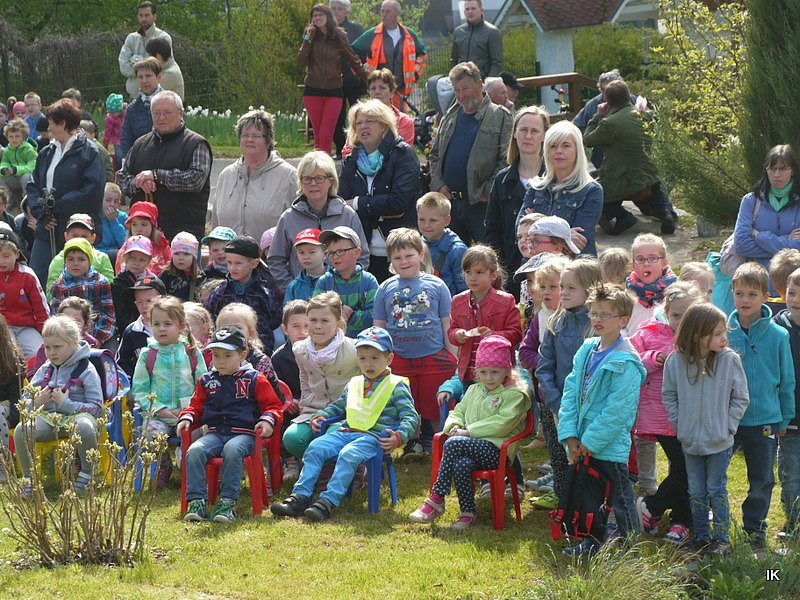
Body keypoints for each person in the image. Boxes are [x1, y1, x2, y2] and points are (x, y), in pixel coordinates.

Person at [271, 325, 419, 521]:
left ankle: (327, 501)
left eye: (375, 358)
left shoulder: (396, 385)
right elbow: (339, 407)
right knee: (315, 447)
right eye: (363, 358)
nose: (368, 363)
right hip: (345, 432)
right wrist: (321, 415)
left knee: (348, 455)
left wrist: (399, 436)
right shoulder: (355, 383)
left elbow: (411, 417)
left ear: (389, 358)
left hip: (374, 438)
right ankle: (300, 496)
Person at [557, 283, 646, 555]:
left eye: (605, 314)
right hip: (582, 442)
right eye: (594, 313)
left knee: (620, 499)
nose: (597, 319)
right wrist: (570, 435)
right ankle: (592, 543)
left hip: (609, 446)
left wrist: (591, 442)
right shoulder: (586, 350)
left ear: (622, 320)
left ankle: (631, 549)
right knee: (590, 498)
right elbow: (571, 392)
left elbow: (618, 411)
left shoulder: (626, 361)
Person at [410, 335, 529, 529]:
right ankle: (467, 513)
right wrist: (453, 427)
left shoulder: (514, 395)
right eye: (483, 372)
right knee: (461, 464)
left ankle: (436, 498)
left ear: (507, 371)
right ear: (476, 371)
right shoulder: (474, 390)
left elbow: (503, 424)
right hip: (470, 448)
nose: (488, 378)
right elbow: (458, 411)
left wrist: (468, 432)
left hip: (497, 452)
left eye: (494, 372)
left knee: (453, 443)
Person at [662, 303, 750, 556]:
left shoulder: (729, 360)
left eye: (725, 332)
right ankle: (701, 535)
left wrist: (728, 425)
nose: (724, 338)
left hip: (720, 441)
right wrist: (681, 425)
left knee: (716, 489)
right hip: (690, 441)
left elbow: (740, 397)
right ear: (698, 335)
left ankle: (721, 538)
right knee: (696, 490)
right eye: (717, 334)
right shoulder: (675, 361)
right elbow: (669, 395)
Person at [179, 326, 284, 523]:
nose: (220, 361)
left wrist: (267, 420)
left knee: (232, 449)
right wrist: (188, 417)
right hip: (216, 433)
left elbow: (273, 406)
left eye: (227, 356)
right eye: (216, 355)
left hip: (245, 435)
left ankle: (228, 502)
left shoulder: (254, 378)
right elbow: (196, 406)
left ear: (242, 355)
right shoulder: (207, 380)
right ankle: (197, 501)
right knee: (195, 450)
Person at [373, 228, 458, 458]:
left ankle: (438, 440)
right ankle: (413, 440)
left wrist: (454, 357)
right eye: (397, 257)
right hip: (400, 357)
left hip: (433, 355)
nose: (404, 261)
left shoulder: (437, 285)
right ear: (390, 260)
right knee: (406, 401)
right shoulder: (385, 288)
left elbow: (445, 323)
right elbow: (379, 326)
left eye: (409, 255)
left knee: (434, 400)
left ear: (421, 255)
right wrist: (380, 358)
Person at [728, 262, 796, 549]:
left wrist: (785, 417)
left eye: (752, 294)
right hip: (727, 420)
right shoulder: (723, 330)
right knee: (715, 474)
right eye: (739, 293)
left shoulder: (779, 335)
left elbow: (787, 380)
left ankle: (754, 527)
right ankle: (714, 526)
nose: (745, 300)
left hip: (765, 419)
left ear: (766, 295)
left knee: (762, 479)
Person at [631, 282, 704, 546]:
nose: (680, 321)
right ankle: (660, 509)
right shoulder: (649, 332)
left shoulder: (700, 334)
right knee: (685, 468)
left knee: (687, 467)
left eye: (687, 315)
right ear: (665, 311)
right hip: (660, 415)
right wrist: (653, 358)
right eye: (675, 315)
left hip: (692, 414)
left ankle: (674, 517)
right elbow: (632, 360)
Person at [531, 259, 603, 512]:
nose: (563, 293)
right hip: (557, 407)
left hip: (589, 409)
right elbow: (544, 366)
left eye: (570, 288)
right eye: (562, 287)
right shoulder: (555, 323)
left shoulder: (597, 326)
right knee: (560, 460)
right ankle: (566, 510)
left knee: (589, 462)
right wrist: (555, 401)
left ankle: (592, 513)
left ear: (591, 289)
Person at [14, 315, 103, 495]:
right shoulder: (45, 368)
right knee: (21, 430)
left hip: (77, 418)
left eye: (57, 347)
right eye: (47, 347)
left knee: (84, 427)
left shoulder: (86, 369)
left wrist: (66, 403)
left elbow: (96, 407)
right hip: (48, 419)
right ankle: (30, 478)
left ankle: (88, 474)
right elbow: (24, 401)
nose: (52, 352)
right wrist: (37, 401)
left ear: (73, 343)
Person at [428, 61, 512, 246]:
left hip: (482, 206)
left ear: (480, 84)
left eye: (465, 88)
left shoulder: (501, 117)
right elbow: (434, 156)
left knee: (489, 258)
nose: (460, 95)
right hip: (450, 205)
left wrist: (485, 192)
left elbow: (507, 161)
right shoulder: (449, 116)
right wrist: (439, 185)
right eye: (456, 90)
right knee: (452, 263)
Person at [338, 99, 420, 281]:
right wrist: (375, 205)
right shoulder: (351, 160)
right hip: (364, 253)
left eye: (370, 121)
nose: (363, 127)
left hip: (400, 252)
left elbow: (398, 202)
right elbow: (342, 202)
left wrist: (358, 203)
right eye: (358, 123)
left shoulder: (402, 154)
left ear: (384, 126)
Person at [26, 99, 105, 285]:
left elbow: (92, 190)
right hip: (47, 228)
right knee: (38, 277)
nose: (49, 127)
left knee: (78, 284)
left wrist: (59, 206)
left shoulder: (89, 152)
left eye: (52, 122)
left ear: (63, 123)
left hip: (77, 230)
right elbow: (33, 184)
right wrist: (40, 212)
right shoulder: (46, 152)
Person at [583, 80, 677, 235]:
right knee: (652, 182)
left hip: (623, 178)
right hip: (650, 175)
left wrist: (598, 116)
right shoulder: (647, 115)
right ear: (628, 95)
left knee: (590, 191)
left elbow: (587, 139)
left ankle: (623, 216)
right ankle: (665, 214)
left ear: (608, 100)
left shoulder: (610, 123)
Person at [132, 296, 207, 488]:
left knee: (196, 434)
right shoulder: (148, 354)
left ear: (181, 326)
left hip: (188, 413)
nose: (161, 328)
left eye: (167, 323)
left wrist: (189, 409)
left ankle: (189, 467)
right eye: (156, 324)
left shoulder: (191, 352)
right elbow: (140, 389)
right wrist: (160, 409)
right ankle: (163, 465)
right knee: (149, 434)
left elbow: (203, 384)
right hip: (159, 414)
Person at [117, 90, 212, 241]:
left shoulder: (196, 143)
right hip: (142, 237)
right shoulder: (140, 144)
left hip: (182, 236)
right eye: (156, 113)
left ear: (180, 113)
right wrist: (138, 182)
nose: (162, 118)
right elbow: (121, 178)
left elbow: (195, 180)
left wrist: (156, 176)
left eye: (167, 112)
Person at [268, 151, 369, 289]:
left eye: (319, 178)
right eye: (307, 179)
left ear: (331, 181)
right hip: (301, 301)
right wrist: (292, 289)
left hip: (340, 297)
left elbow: (361, 257)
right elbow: (275, 260)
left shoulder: (347, 215)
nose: (313, 183)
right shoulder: (288, 218)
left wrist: (348, 287)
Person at [283, 292, 360, 461]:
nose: (317, 326)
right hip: (314, 410)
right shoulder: (300, 349)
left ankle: (350, 467)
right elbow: (304, 380)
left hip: (346, 413)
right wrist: (306, 405)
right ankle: (322, 466)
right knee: (292, 439)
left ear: (338, 324)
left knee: (332, 438)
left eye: (325, 321)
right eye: (313, 320)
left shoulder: (355, 350)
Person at [486, 106, 550, 299]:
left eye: (534, 131)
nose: (528, 136)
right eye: (523, 129)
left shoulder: (555, 178)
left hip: (548, 271)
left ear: (544, 135)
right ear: (514, 133)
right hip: (511, 269)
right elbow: (492, 230)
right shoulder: (502, 180)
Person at [516, 120, 603, 255]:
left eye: (566, 146)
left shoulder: (592, 190)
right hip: (535, 267)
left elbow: (577, 241)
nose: (558, 151)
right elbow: (520, 230)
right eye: (553, 146)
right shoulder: (535, 187)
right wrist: (565, 235)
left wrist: (536, 223)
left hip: (575, 269)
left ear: (578, 150)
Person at [211, 110, 297, 241]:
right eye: (245, 135)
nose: (249, 140)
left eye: (256, 136)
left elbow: (296, 225)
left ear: (268, 141)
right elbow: (216, 227)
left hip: (271, 259)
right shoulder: (226, 175)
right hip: (229, 259)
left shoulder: (288, 175)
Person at [448, 245, 522, 388]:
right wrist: (458, 334)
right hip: (469, 371)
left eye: (479, 272)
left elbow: (517, 334)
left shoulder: (506, 301)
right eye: (468, 272)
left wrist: (494, 335)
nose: (472, 278)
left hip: (498, 372)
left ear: (493, 275)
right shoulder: (458, 301)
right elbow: (452, 331)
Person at [298, 4, 366, 155]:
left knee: (325, 134)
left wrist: (369, 78)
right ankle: (319, 167)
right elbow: (301, 61)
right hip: (313, 90)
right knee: (318, 135)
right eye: (314, 15)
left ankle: (324, 167)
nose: (317, 18)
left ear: (328, 17)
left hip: (334, 90)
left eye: (320, 15)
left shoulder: (339, 35)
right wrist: (307, 38)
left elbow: (352, 59)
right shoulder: (310, 36)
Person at [733, 144, 800, 295]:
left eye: (783, 169)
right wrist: (787, 242)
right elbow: (741, 245)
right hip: (756, 288)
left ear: (793, 171)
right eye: (772, 168)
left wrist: (759, 236)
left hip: (794, 289)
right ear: (766, 171)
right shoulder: (750, 201)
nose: (777, 174)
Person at [204, 236, 282, 356]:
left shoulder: (263, 294)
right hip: (226, 352)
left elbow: (275, 319)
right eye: (229, 263)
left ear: (254, 263)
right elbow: (208, 316)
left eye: (238, 263)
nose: (232, 268)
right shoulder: (220, 292)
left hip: (257, 352)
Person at [351, 0, 427, 108]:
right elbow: (352, 51)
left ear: (397, 13)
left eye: (388, 11)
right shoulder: (372, 34)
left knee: (399, 119)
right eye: (382, 11)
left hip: (401, 89)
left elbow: (422, 54)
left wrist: (415, 72)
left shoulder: (409, 34)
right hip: (378, 89)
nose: (384, 14)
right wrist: (361, 70)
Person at [215, 303, 286, 408]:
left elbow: (274, 400)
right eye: (225, 328)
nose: (231, 333)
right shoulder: (215, 358)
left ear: (251, 333)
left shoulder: (260, 362)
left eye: (237, 328)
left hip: (253, 414)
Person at [313, 226, 378, 337]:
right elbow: (315, 311)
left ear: (357, 252)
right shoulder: (324, 281)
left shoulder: (369, 281)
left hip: (362, 343)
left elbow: (375, 316)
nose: (335, 257)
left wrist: (352, 316)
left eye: (341, 251)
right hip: (331, 343)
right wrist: (338, 313)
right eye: (331, 253)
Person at [49, 238, 116, 345]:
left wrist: (99, 338)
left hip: (101, 332)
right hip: (69, 337)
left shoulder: (101, 281)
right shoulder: (59, 285)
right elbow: (58, 316)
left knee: (108, 358)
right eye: (70, 259)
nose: (75, 263)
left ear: (89, 261)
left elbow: (108, 313)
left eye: (81, 259)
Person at [774, 268, 800, 540]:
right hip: (790, 418)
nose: (797, 299)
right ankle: (793, 523)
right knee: (791, 474)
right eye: (792, 292)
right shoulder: (778, 328)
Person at [572, 69, 635, 169]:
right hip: (602, 160)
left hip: (629, 159)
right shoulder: (593, 105)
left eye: (610, 88)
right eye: (603, 89)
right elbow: (576, 126)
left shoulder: (633, 101)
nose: (607, 93)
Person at [44, 212, 115, 301]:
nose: (79, 239)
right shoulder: (58, 260)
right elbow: (51, 295)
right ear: (66, 236)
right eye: (74, 236)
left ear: (93, 238)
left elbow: (110, 289)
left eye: (84, 236)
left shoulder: (102, 258)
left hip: (95, 310)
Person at [0, 228, 48, 358]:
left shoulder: (27, 275)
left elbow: (40, 307)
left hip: (26, 326)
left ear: (16, 254)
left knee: (38, 354)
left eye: (6, 256)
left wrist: (45, 332)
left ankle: (35, 377)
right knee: (10, 354)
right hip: (2, 328)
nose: (1, 261)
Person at [330, 0, 366, 158]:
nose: (336, 12)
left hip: (353, 80)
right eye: (333, 9)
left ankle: (359, 146)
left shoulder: (357, 30)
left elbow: (364, 54)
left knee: (358, 115)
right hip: (332, 81)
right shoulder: (325, 29)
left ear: (347, 12)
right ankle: (340, 148)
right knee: (337, 117)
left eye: (340, 9)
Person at [119, 1, 174, 99]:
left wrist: (136, 64)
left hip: (157, 97)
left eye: (147, 15)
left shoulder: (163, 38)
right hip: (134, 96)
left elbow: (164, 65)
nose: (143, 19)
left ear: (155, 16)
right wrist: (144, 69)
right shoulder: (131, 38)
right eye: (141, 15)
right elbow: (123, 66)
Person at [417, 192, 467, 296]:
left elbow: (465, 291)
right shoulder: (416, 245)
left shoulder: (457, 250)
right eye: (421, 219)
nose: (426, 225)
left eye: (433, 220)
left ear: (447, 220)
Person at [116, 274, 165, 377]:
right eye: (139, 302)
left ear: (162, 300)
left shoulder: (174, 327)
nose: (144, 306)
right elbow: (122, 362)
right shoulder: (131, 331)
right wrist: (134, 381)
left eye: (149, 301)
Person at [119, 57, 164, 158]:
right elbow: (125, 138)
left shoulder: (171, 103)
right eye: (140, 77)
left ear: (159, 77)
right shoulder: (132, 109)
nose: (144, 81)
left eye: (148, 76)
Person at [113, 201, 171, 275]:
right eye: (134, 224)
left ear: (152, 227)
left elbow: (171, 272)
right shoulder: (124, 250)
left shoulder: (163, 247)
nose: (138, 229)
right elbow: (119, 275)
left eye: (144, 224)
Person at [451, 0, 502, 78]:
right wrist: (455, 79)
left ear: (481, 11)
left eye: (473, 8)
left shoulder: (492, 32)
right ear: (464, 12)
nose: (470, 12)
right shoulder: (458, 32)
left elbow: (496, 63)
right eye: (467, 9)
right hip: (461, 83)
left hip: (482, 82)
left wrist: (488, 82)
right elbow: (453, 60)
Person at [0, 314, 23, 483]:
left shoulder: (12, 360)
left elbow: (17, 398)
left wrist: (12, 419)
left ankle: (3, 466)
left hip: (5, 406)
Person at [0, 118, 37, 207]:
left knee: (26, 177)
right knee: (1, 177)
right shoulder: (8, 149)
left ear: (23, 137)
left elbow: (32, 166)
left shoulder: (29, 149)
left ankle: (27, 203)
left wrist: (16, 170)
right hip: (14, 178)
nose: (14, 139)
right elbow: (5, 162)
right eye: (11, 137)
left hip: (27, 178)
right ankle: (8, 201)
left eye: (17, 136)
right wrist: (3, 169)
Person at [285, 228, 327, 304]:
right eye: (301, 252)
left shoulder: (335, 279)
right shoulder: (294, 287)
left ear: (325, 254)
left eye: (312, 252)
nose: (306, 257)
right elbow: (288, 313)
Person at [159, 232, 199, 301]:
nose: (181, 258)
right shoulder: (166, 275)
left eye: (186, 254)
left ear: (194, 257)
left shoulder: (200, 277)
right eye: (176, 253)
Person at [96, 182, 127, 264]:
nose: (112, 204)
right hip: (99, 255)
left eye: (116, 201)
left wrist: (113, 221)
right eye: (108, 200)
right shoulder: (95, 217)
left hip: (118, 255)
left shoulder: (123, 217)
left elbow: (124, 243)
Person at [103, 93, 126, 168]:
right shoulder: (110, 119)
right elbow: (107, 132)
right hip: (117, 140)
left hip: (127, 137)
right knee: (119, 156)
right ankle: (119, 169)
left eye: (113, 112)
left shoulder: (127, 113)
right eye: (110, 112)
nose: (111, 114)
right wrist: (105, 145)